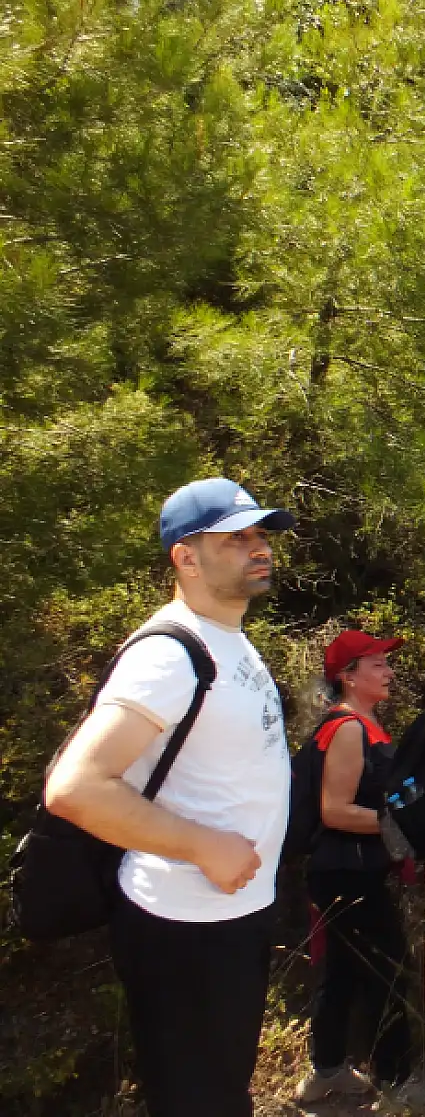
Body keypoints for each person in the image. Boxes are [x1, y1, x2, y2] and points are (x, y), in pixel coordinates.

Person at [43, 477, 296, 1117]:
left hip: (229, 916)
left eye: (260, 534)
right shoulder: (168, 655)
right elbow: (75, 788)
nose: (258, 547)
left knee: (222, 1093)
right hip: (182, 925)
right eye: (236, 537)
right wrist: (203, 845)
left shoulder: (228, 637)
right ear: (185, 557)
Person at [295, 630, 423, 1108]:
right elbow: (335, 810)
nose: (389, 672)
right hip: (346, 871)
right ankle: (397, 1081)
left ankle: (326, 1072)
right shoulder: (348, 728)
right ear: (348, 677)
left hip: (349, 869)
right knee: (389, 971)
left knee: (345, 972)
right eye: (376, 665)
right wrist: (403, 830)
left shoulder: (364, 726)